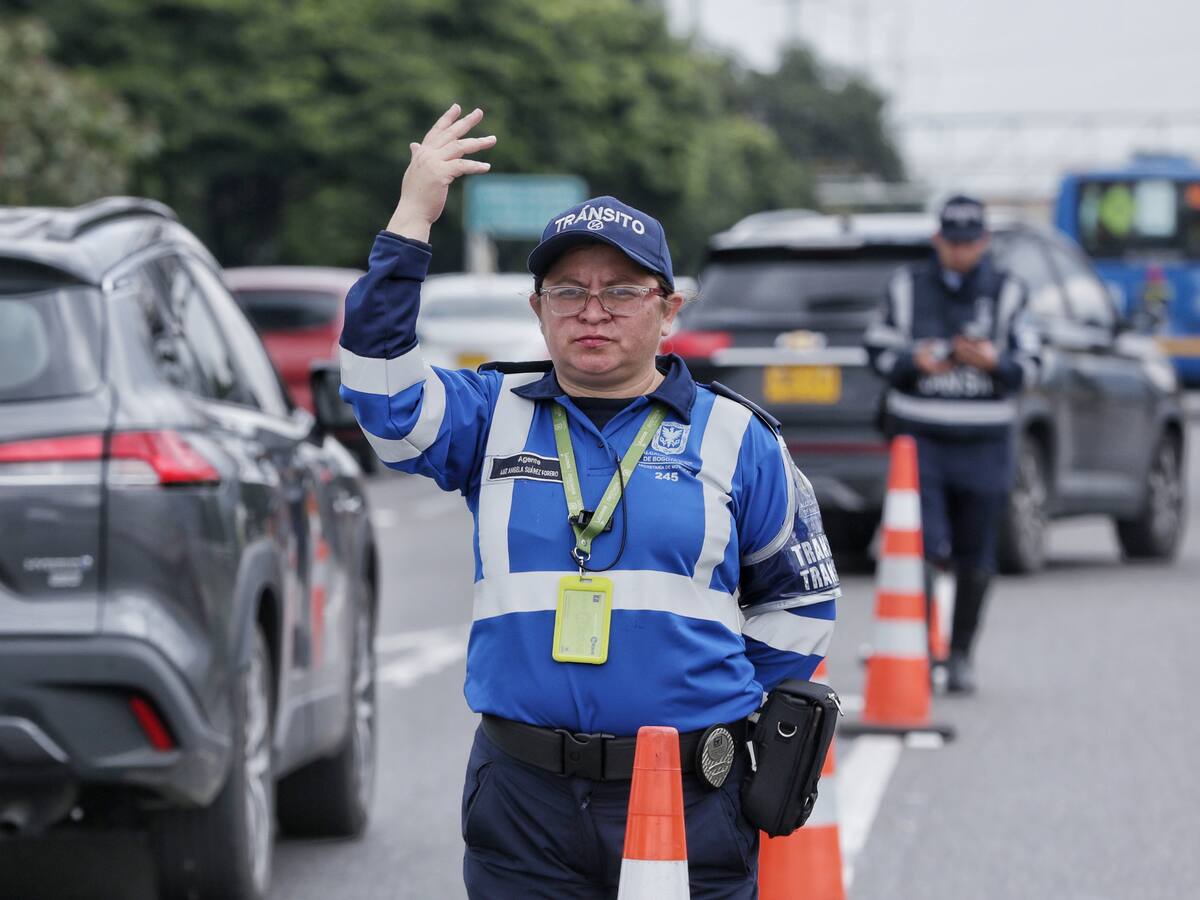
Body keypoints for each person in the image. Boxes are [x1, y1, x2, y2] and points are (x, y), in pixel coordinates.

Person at [339, 104, 839, 898]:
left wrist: (714, 702)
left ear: (670, 310)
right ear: (536, 310)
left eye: (621, 291)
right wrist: (410, 220)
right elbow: (380, 397)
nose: (593, 311)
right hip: (524, 794)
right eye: (568, 292)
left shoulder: (738, 437)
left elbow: (803, 596)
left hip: (688, 792)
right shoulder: (488, 413)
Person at [864, 195, 1039, 694]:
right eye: (952, 241)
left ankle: (961, 653)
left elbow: (1032, 365)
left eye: (969, 242)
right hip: (919, 442)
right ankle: (918, 647)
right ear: (938, 239)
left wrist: (990, 361)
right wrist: (915, 360)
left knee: (976, 555)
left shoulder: (1008, 292)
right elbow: (875, 349)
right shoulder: (906, 286)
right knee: (921, 547)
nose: (960, 251)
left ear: (983, 242)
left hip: (985, 443)